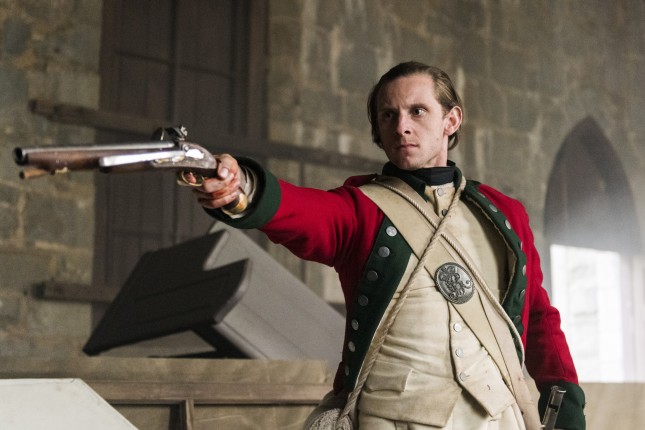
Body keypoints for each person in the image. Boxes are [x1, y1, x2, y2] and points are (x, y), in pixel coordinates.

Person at [188, 61, 585, 429]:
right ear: (378, 131)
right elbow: (299, 211)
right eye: (388, 115)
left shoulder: (505, 213)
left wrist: (565, 403)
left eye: (417, 111)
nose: (401, 127)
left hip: (501, 420)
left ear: (451, 120)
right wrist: (241, 188)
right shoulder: (360, 209)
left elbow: (538, 316)